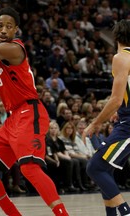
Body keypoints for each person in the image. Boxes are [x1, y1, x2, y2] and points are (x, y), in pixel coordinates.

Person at [0, 6, 68, 216]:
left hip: (30, 112)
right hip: (13, 119)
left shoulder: (13, 48)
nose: (3, 30)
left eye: (8, 27)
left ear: (16, 30)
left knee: (29, 168)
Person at [82, 19, 130, 216]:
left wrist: (94, 123)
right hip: (125, 119)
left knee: (95, 167)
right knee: (106, 170)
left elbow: (116, 99)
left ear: (115, 37)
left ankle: (125, 211)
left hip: (128, 125)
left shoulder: (121, 57)